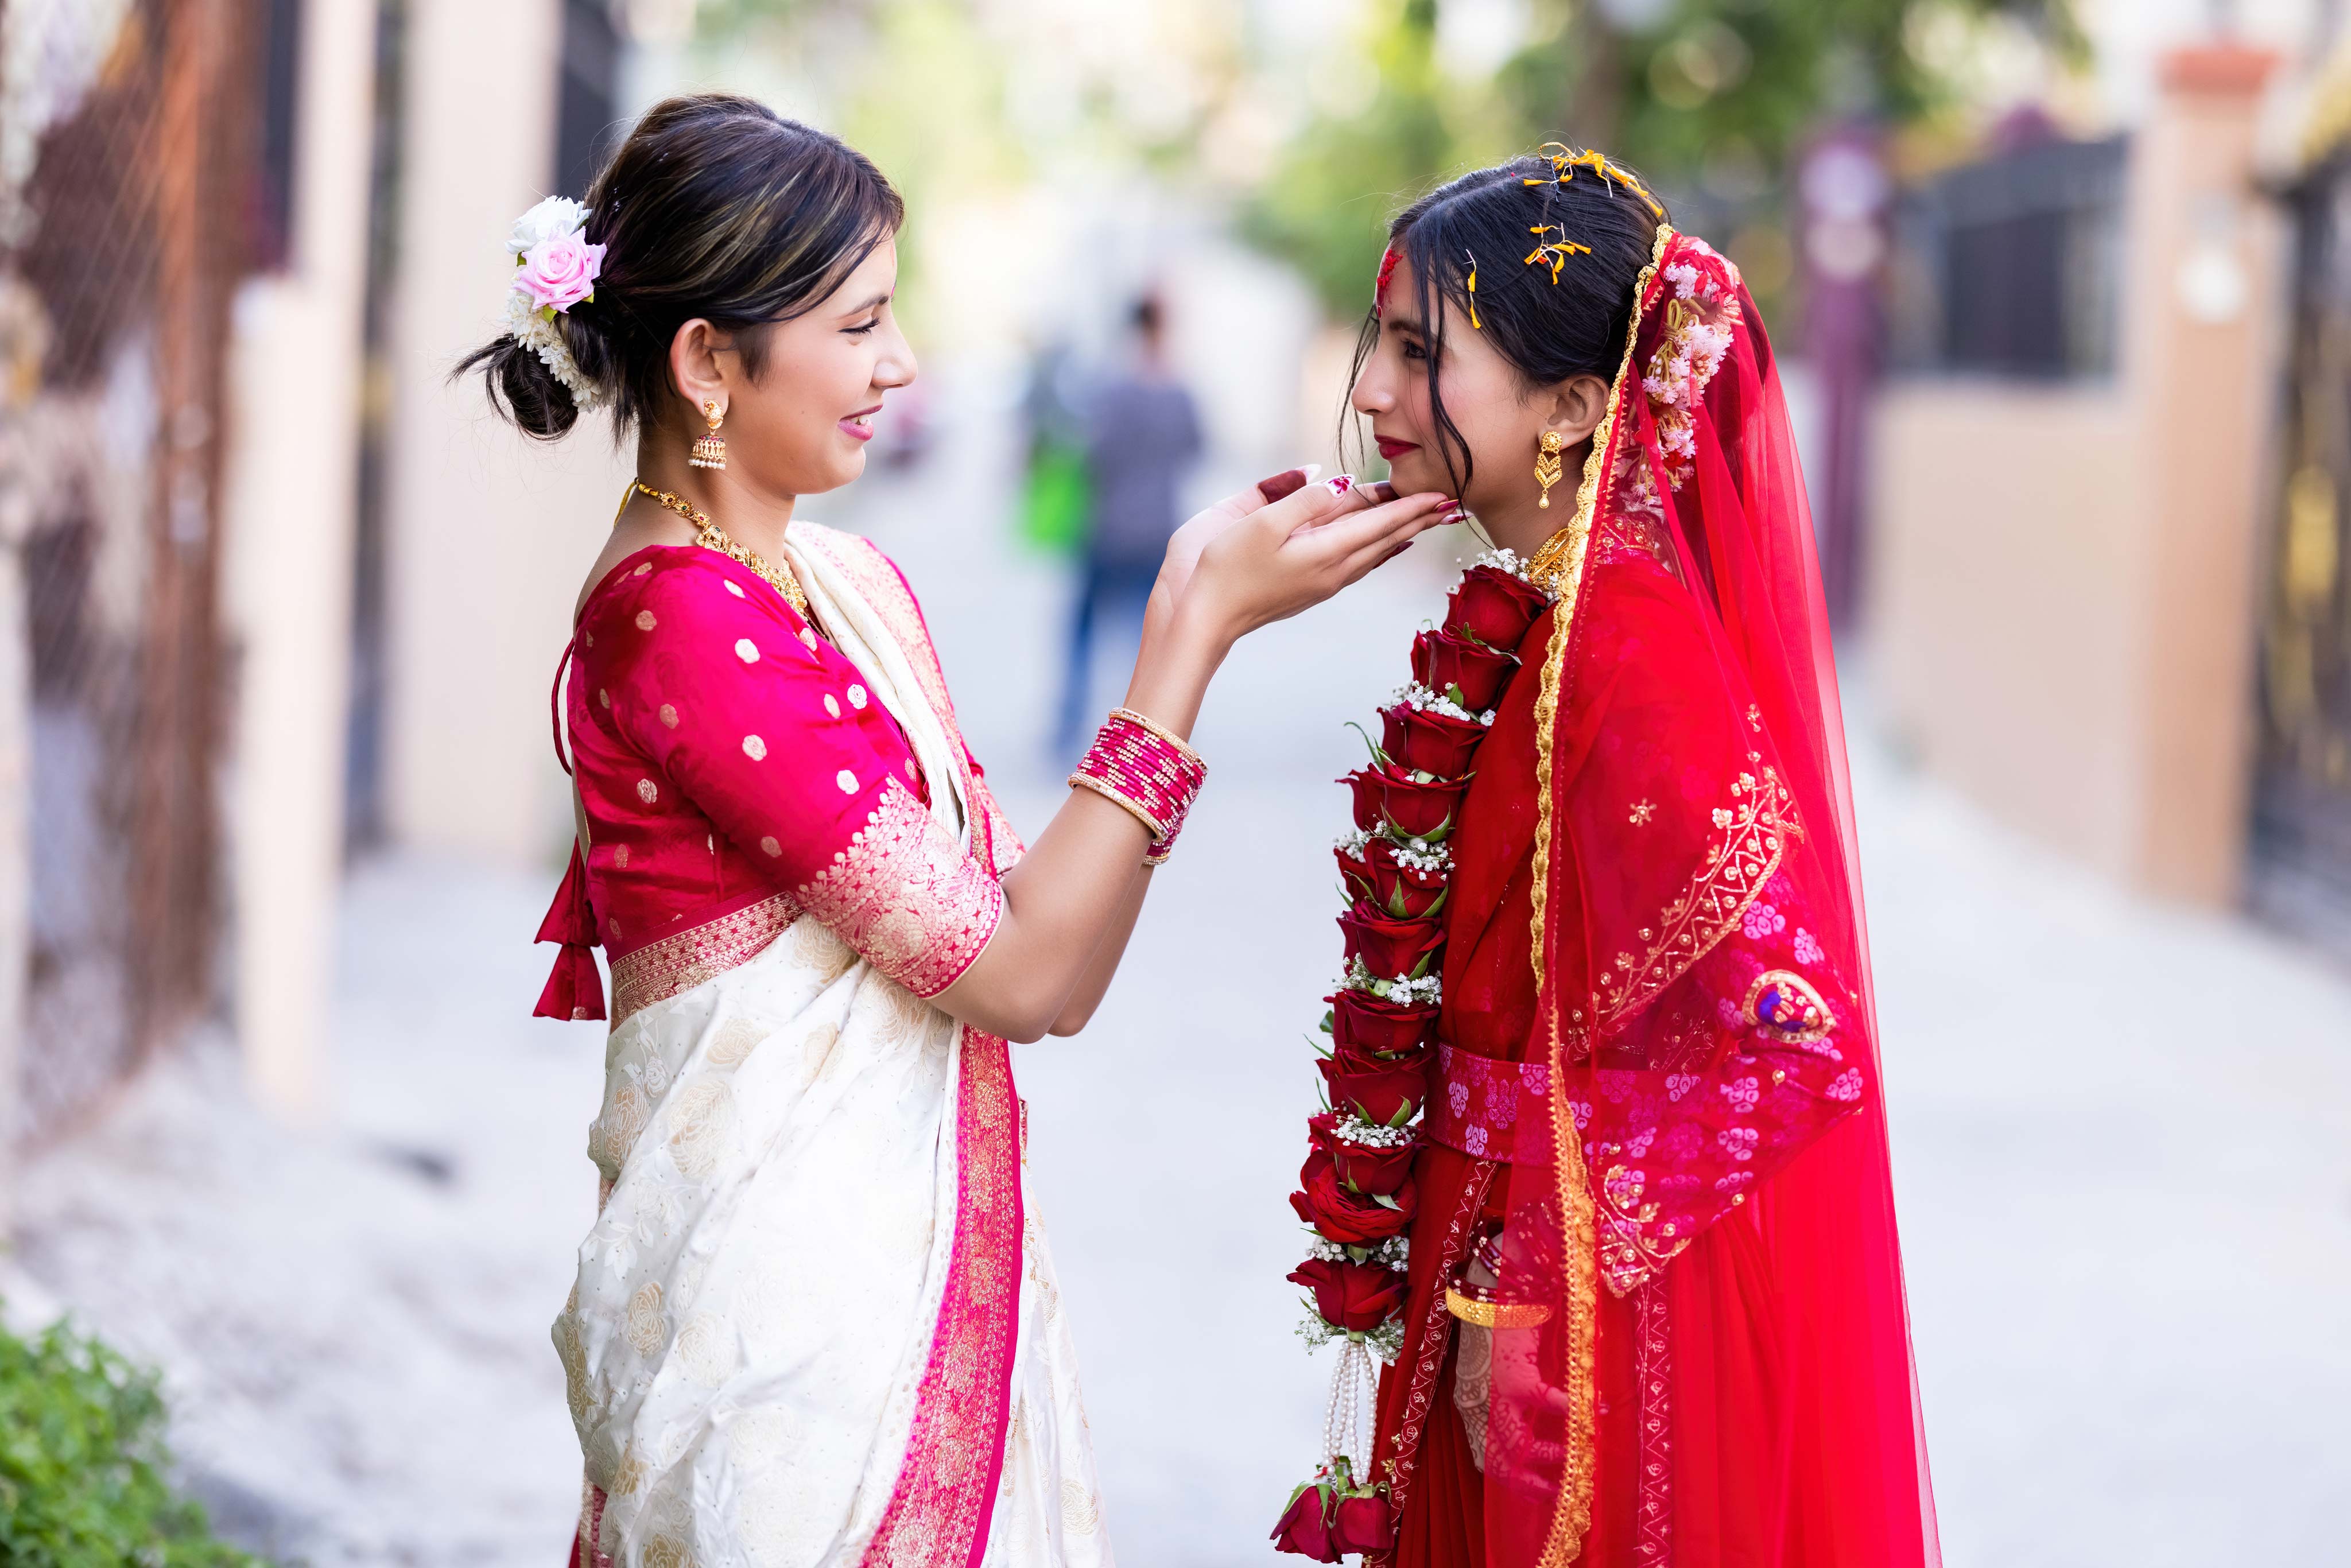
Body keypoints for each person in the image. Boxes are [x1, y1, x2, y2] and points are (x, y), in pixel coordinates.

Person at [457, 96, 1456, 1568]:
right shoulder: (680, 619)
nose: (902, 365)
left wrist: (1198, 606)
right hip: (795, 1327)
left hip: (852, 1288)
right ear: (709, 363)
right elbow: (1016, 976)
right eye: (860, 327)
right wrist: (1192, 627)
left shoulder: (816, 580)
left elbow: (1048, 971)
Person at [1268, 149, 1939, 1567]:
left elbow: (1794, 1040)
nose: (1374, 392)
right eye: (1378, 343)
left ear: (1574, 406)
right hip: (1497, 1250)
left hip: (1573, 1314)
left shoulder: (1625, 654)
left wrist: (1531, 1277)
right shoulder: (1542, 618)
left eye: (1416, 352)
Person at [1055, 294, 1204, 753]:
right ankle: (1148, 734)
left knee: (1083, 633)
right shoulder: (1180, 392)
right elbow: (1197, 448)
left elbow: (1091, 456)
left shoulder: (1111, 389)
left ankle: (1068, 727)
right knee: (1157, 642)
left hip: (1107, 528)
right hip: (1160, 531)